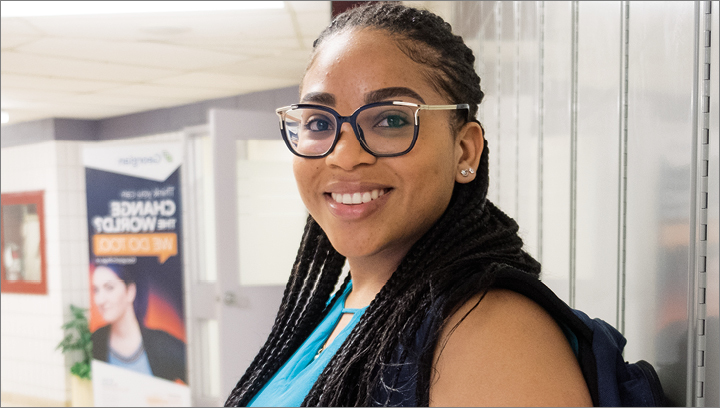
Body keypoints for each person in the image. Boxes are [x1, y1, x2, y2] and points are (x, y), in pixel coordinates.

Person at [226, 3, 592, 406]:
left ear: (465, 151)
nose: (344, 156)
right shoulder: (352, 299)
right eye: (319, 122)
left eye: (390, 120)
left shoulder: (487, 330)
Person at [91, 264, 187, 383]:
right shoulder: (95, 342)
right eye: (96, 290)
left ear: (130, 291)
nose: (100, 300)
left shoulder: (163, 345)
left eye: (109, 288)